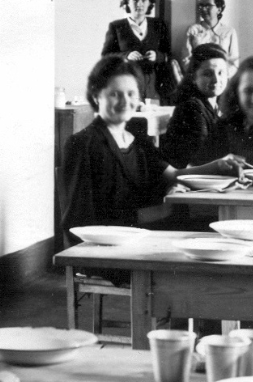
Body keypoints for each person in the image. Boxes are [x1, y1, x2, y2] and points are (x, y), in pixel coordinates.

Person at [60, 55, 230, 247]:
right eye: (116, 94)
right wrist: (162, 209)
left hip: (143, 236)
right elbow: (80, 223)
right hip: (106, 249)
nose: (125, 102)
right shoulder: (82, 144)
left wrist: (217, 166)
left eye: (132, 94)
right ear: (96, 95)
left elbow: (172, 174)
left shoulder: (138, 141)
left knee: (217, 234)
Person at [161, 43, 229, 169]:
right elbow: (201, 158)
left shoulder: (217, 104)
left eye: (221, 73)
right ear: (193, 77)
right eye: (208, 74)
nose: (216, 80)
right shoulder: (191, 107)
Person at [101, 0, 170, 101]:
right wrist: (126, 56)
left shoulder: (158, 25)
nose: (139, 4)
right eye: (135, 0)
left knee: (150, 116)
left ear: (149, 3)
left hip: (152, 86)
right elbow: (106, 56)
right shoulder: (117, 26)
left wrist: (157, 56)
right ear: (127, 3)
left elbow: (168, 55)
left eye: (144, 0)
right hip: (126, 83)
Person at [182, 0, 238, 70]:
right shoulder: (193, 30)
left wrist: (224, 77)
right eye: (201, 6)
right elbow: (186, 59)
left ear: (219, 9)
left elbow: (233, 61)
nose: (203, 9)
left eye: (208, 5)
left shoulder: (229, 31)